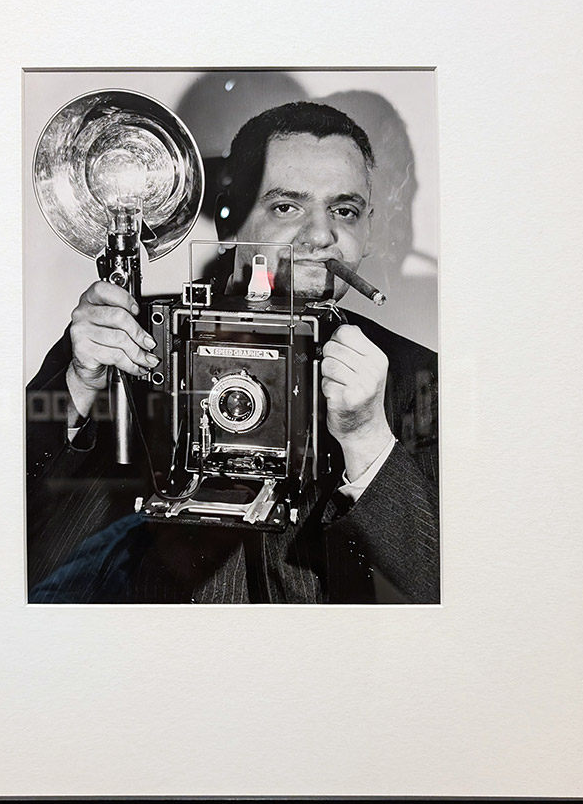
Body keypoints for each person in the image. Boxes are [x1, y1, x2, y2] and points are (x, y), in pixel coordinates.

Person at [26, 101, 439, 604]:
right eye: (287, 207)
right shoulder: (128, 335)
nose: (320, 235)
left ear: (368, 230)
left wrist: (368, 439)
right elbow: (9, 536)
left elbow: (444, 584)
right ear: (230, 222)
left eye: (344, 211)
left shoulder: (414, 375)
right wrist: (79, 388)